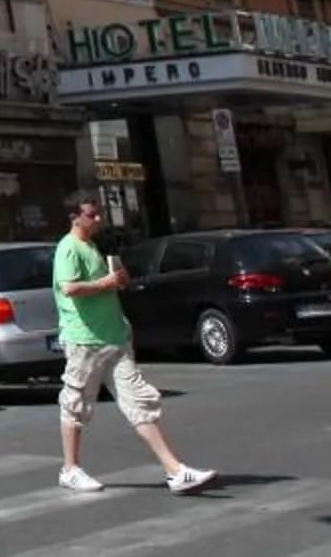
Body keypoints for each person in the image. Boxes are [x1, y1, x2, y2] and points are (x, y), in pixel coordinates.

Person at [52, 194, 213, 496]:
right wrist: (106, 284)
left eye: (98, 213)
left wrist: (118, 280)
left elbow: (102, 286)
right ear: (75, 217)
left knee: (138, 402)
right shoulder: (68, 248)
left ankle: (175, 471)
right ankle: (70, 469)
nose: (97, 219)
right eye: (91, 214)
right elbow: (69, 287)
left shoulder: (91, 247)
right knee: (75, 403)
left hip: (113, 337)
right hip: (85, 339)